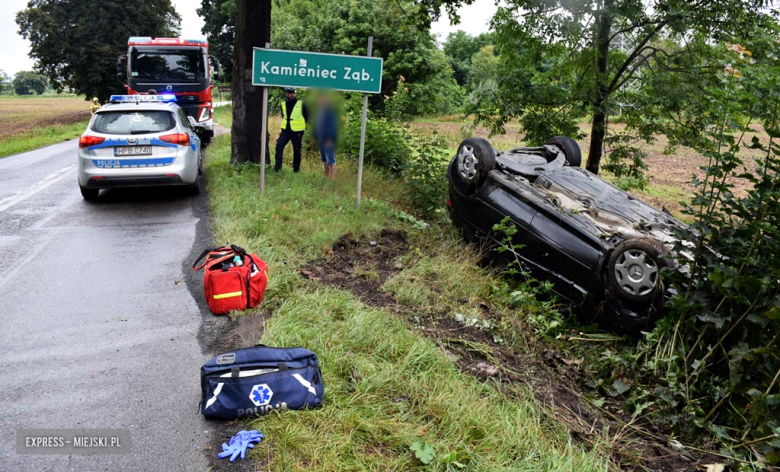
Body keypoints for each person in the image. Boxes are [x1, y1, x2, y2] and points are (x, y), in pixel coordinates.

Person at [274, 87, 309, 172]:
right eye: (289, 93)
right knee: (279, 145)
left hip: (297, 131)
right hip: (286, 130)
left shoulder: (301, 104)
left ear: (295, 93)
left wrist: (300, 127)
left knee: (297, 150)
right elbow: (283, 116)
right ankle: (277, 167)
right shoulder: (283, 104)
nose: (291, 94)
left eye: (293, 93)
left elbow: (307, 116)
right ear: (287, 94)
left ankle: (296, 169)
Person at [314, 94, 338, 179]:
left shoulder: (330, 112)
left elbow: (333, 127)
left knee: (331, 159)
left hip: (328, 140)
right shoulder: (319, 112)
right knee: (324, 159)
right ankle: (327, 177)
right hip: (321, 139)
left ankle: (333, 179)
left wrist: (330, 139)